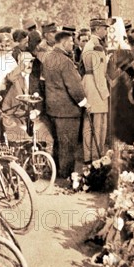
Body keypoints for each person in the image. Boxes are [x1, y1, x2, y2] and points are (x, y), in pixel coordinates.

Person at [42, 31, 89, 179]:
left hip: (52, 109)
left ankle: (55, 171)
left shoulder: (48, 58)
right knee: (68, 145)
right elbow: (74, 86)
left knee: (58, 143)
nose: (73, 44)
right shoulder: (65, 61)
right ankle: (66, 176)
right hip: (68, 110)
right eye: (70, 42)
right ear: (63, 43)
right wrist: (84, 103)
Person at [81, 18, 110, 162]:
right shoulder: (96, 46)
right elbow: (99, 74)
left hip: (88, 83)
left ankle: (88, 155)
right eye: (104, 28)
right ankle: (96, 156)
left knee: (89, 124)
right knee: (98, 125)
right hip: (95, 87)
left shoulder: (89, 44)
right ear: (97, 28)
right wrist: (105, 93)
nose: (106, 30)